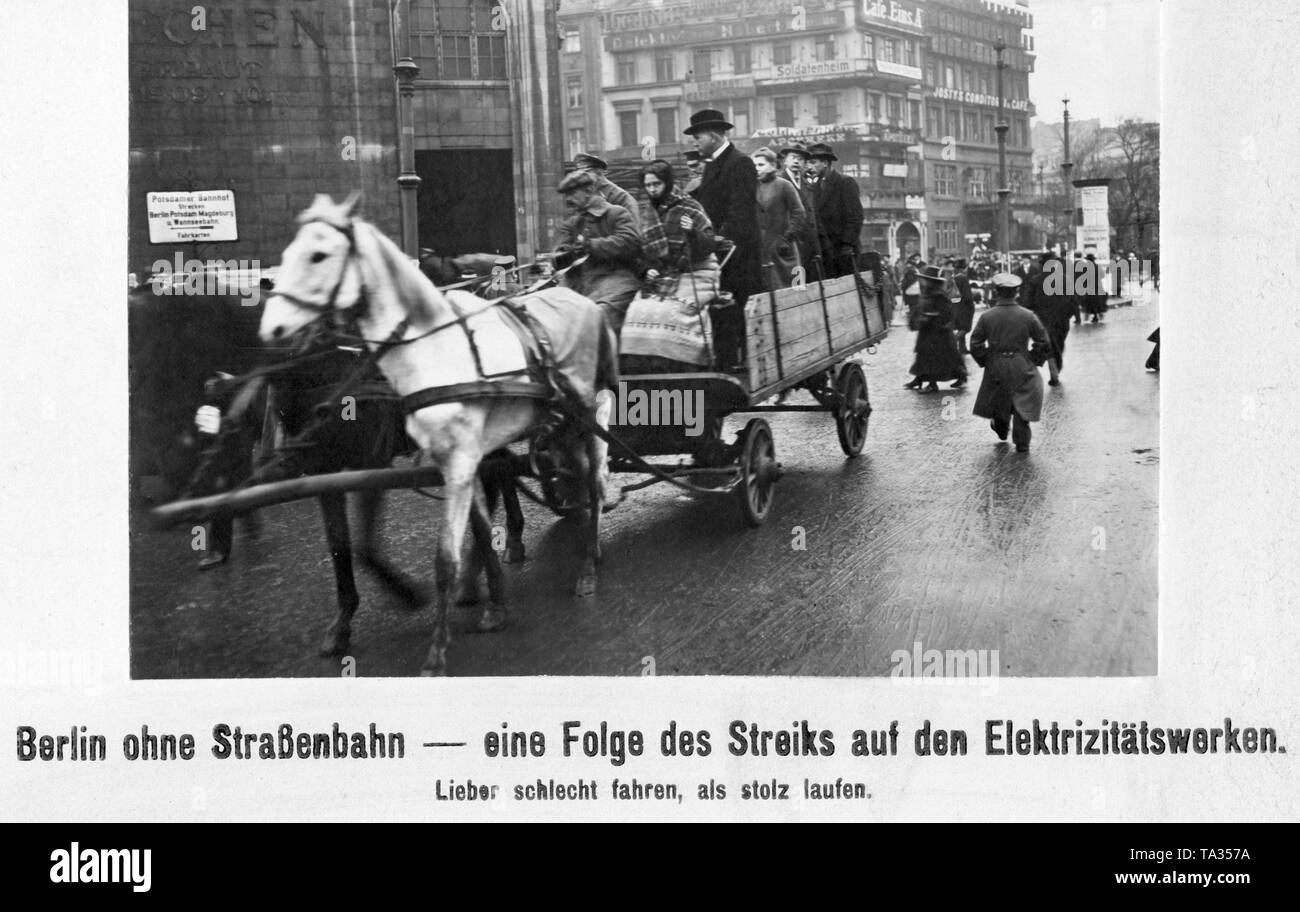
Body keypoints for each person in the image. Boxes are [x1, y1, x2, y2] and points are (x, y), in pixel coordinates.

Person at [620, 159, 721, 373]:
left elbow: (710, 244)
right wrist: (648, 268)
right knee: (638, 310)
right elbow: (643, 249)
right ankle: (650, 368)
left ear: (667, 182)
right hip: (665, 274)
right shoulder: (648, 212)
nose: (652, 189)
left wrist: (693, 232)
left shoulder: (689, 206)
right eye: (648, 185)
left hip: (697, 270)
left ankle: (681, 365)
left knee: (673, 310)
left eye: (656, 184)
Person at [685, 108, 764, 372]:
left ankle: (740, 362)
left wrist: (719, 241)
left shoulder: (740, 163)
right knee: (719, 307)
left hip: (738, 252)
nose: (694, 142)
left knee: (735, 306)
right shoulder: (712, 166)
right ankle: (724, 359)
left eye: (698, 137)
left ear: (715, 136)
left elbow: (740, 213)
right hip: (717, 249)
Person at [969, 273, 1052, 453]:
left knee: (1000, 399)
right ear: (1016, 293)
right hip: (1022, 363)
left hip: (996, 364)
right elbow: (1043, 341)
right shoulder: (1028, 315)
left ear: (997, 292)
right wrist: (1034, 358)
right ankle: (1022, 442)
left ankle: (1001, 427)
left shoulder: (987, 317)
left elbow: (975, 342)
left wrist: (985, 359)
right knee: (1022, 401)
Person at [553, 169, 641, 336]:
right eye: (566, 195)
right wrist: (566, 254)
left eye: (572, 193)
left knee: (596, 317)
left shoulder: (616, 213)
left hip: (614, 280)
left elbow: (631, 242)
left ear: (589, 190)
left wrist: (591, 245)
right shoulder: (572, 223)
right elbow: (557, 257)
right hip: (578, 283)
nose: (568, 200)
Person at [751, 146, 807, 290]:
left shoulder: (784, 185)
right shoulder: (752, 187)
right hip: (762, 251)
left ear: (773, 165)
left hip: (784, 251)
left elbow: (799, 213)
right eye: (754, 165)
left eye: (761, 165)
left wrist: (787, 239)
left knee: (794, 291)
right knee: (768, 294)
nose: (757, 168)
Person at [905, 265, 967, 392]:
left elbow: (947, 313)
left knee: (935, 358)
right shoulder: (927, 293)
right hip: (927, 331)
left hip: (938, 333)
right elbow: (921, 307)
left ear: (932, 281)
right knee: (923, 356)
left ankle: (933, 384)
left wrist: (932, 317)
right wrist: (917, 317)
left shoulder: (939, 295)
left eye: (927, 280)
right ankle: (920, 378)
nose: (924, 282)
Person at [806, 142, 863, 278]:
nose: (809, 167)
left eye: (813, 163)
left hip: (844, 251)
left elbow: (855, 216)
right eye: (808, 163)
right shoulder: (813, 188)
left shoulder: (845, 182)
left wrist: (847, 245)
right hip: (825, 251)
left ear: (825, 163)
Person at [1021, 252, 1077, 386]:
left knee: (1049, 346)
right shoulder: (1065, 279)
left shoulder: (1035, 280)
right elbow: (1074, 301)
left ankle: (1053, 369)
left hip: (1043, 321)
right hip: (1062, 321)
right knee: (1058, 344)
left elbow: (1028, 303)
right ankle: (1055, 372)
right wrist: (1067, 315)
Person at [778, 142, 820, 272]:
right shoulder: (779, 182)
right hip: (790, 243)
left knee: (811, 284)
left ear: (804, 163)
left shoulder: (807, 185)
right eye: (793, 157)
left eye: (800, 159)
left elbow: (812, 216)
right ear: (785, 161)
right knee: (795, 283)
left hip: (809, 245)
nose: (796, 161)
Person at [573, 151, 640, 229]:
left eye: (585, 174)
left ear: (599, 173)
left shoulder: (623, 198)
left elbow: (632, 233)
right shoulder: (585, 198)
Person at [951, 258, 976, 354]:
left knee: (960, 326)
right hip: (964, 306)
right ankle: (952, 342)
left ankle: (962, 348)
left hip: (955, 305)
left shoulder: (954, 277)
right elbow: (967, 295)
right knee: (965, 327)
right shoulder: (963, 278)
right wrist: (971, 305)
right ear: (964, 268)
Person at [901, 253, 923, 330]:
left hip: (911, 294)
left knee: (913, 309)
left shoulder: (910, 271)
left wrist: (903, 285)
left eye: (908, 264)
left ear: (910, 264)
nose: (907, 265)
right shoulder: (916, 270)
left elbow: (909, 281)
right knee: (914, 308)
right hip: (916, 293)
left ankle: (915, 325)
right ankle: (916, 324)